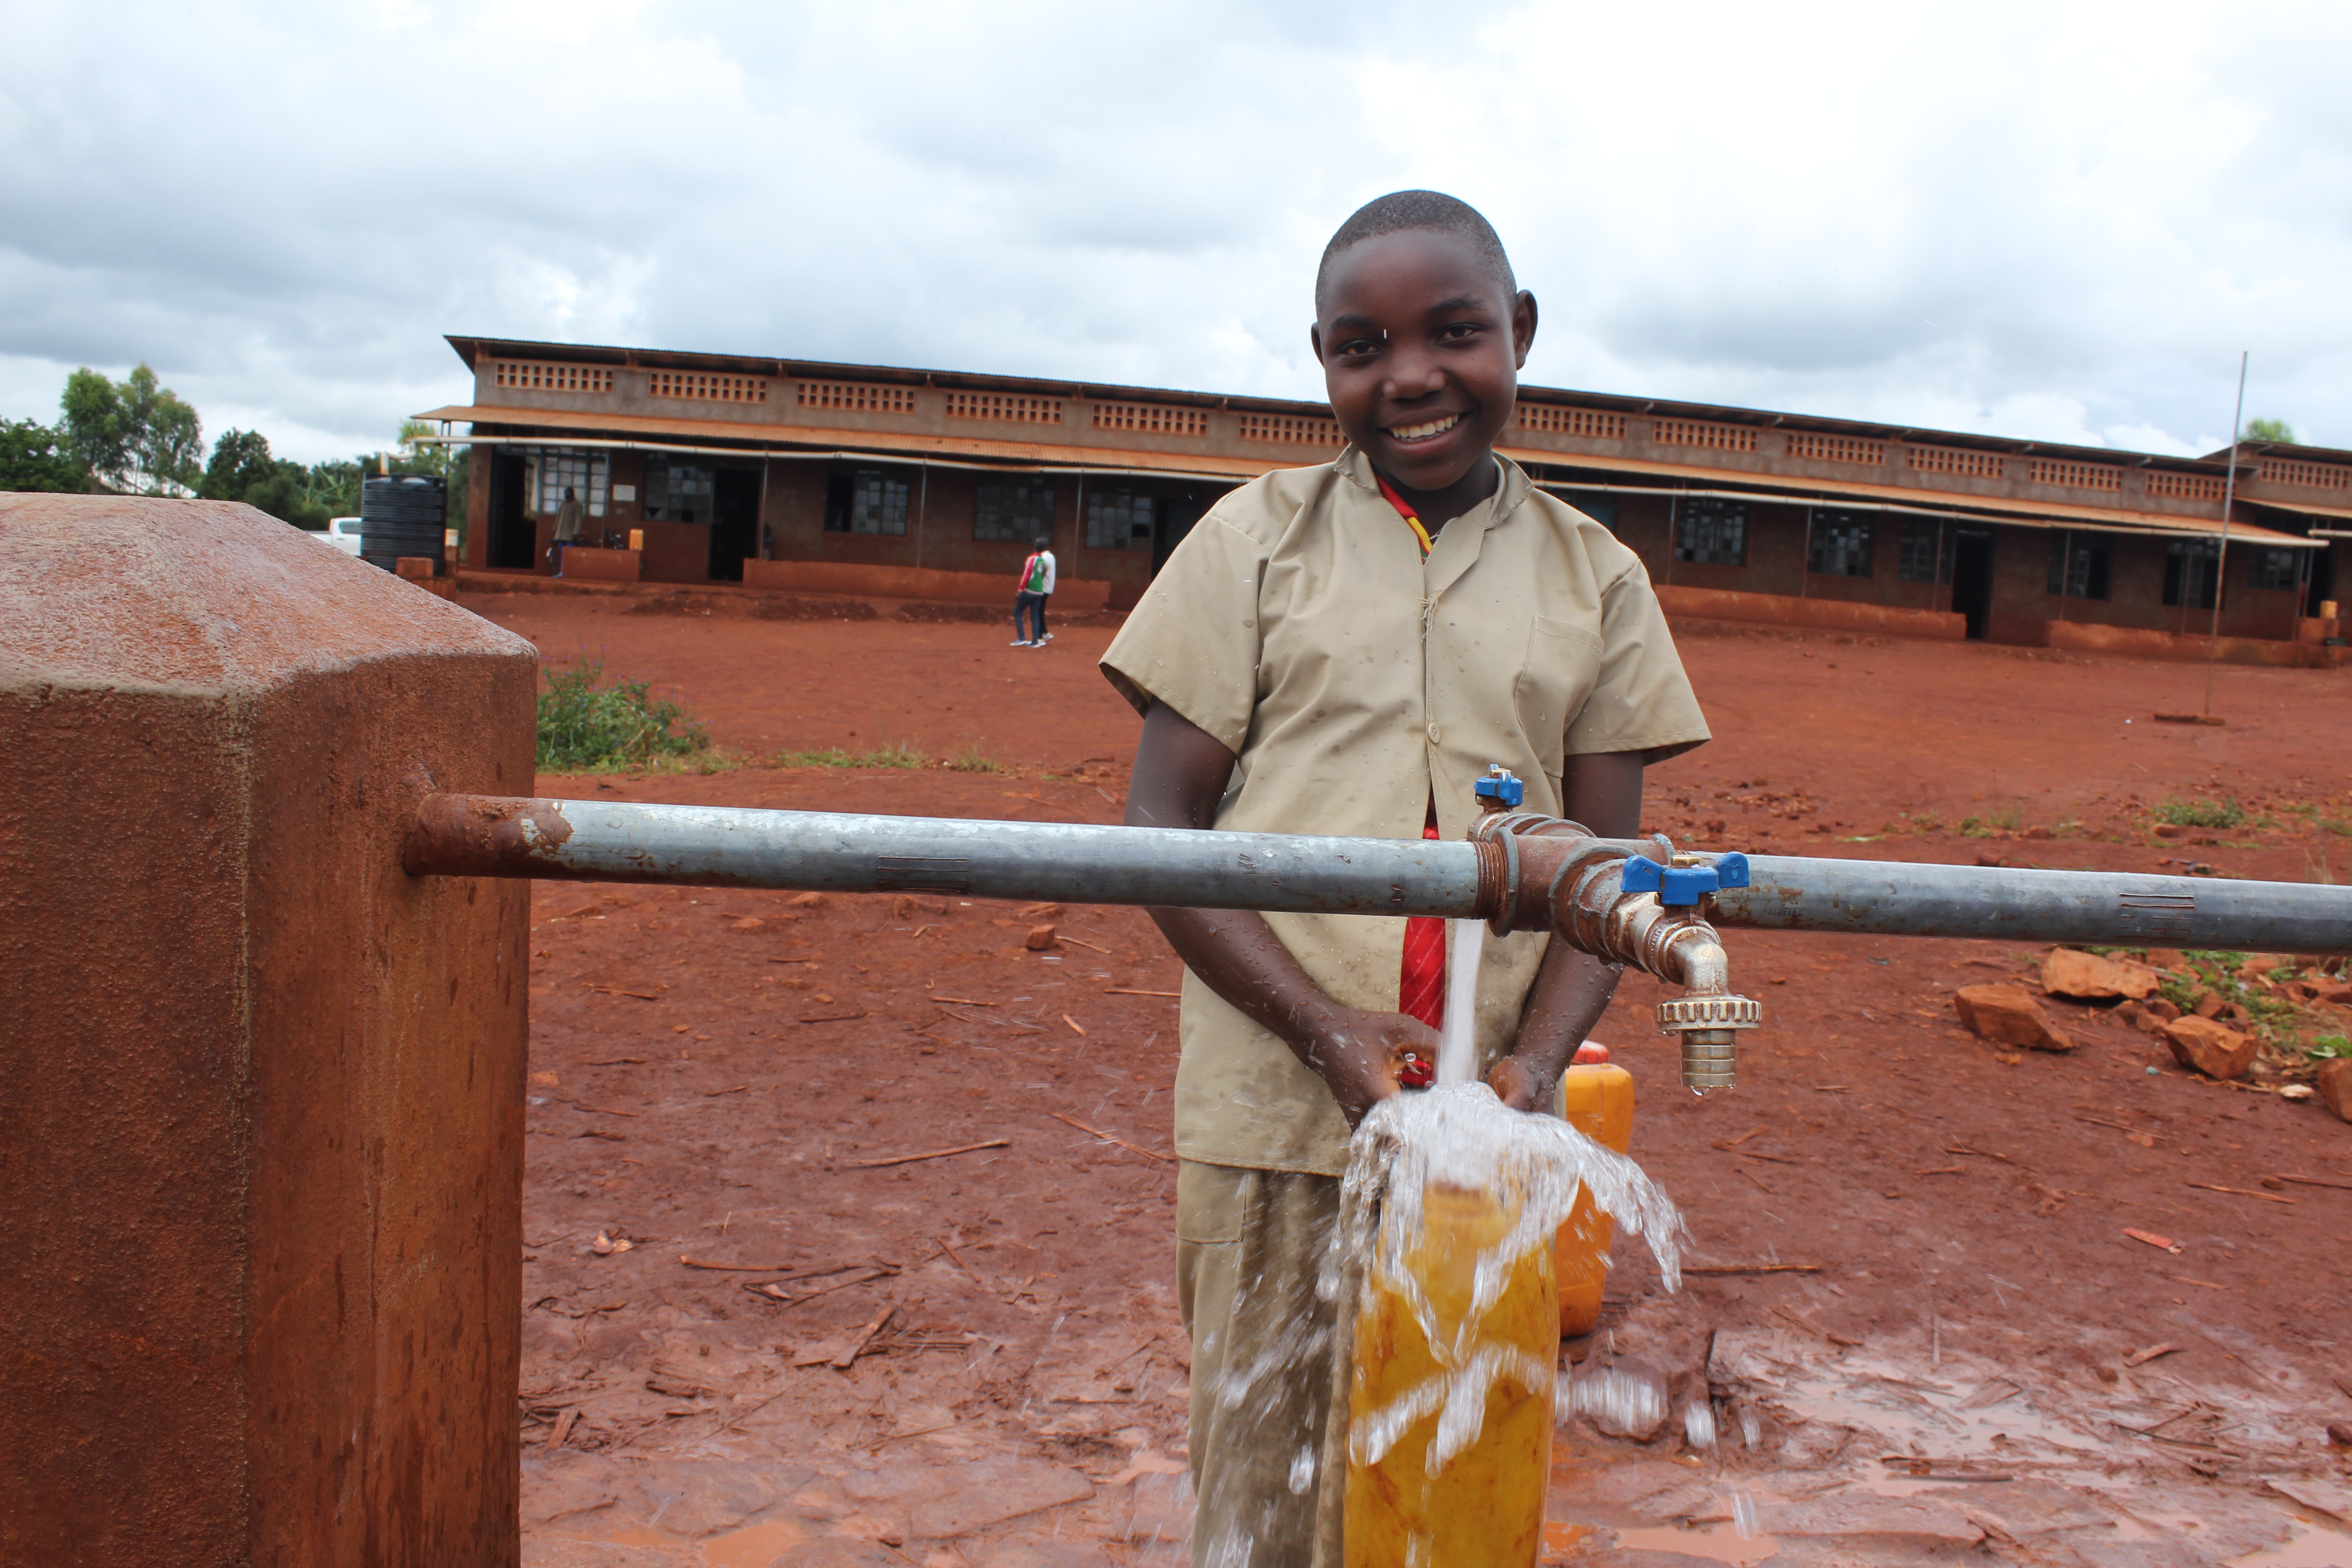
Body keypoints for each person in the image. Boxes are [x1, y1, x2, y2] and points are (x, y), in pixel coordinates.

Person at [1099, 190, 1710, 1567]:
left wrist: (1540, 1068)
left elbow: (1609, 878)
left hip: (1483, 1135)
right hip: (1272, 1105)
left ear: (1522, 335)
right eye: (1362, 346)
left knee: (1448, 1480)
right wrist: (1321, 1027)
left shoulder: (1595, 578)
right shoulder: (1252, 543)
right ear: (1323, 360)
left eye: (1454, 333)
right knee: (1260, 1471)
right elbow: (1158, 827)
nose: (1411, 377)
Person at [1013, 534, 1056, 647]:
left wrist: (1021, 590)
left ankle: (1028, 638)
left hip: (1037, 589)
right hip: (1042, 590)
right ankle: (1039, 637)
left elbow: (1029, 575)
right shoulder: (1048, 557)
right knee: (1037, 613)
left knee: (1020, 611)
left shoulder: (1036, 558)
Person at [550, 485, 586, 576]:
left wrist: (576, 532)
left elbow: (579, 519)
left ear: (573, 494)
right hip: (561, 533)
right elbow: (558, 518)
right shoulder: (563, 504)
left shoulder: (577, 505)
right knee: (562, 554)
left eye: (569, 493)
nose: (567, 495)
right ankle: (563, 572)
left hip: (571, 534)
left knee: (570, 554)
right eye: (566, 493)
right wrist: (554, 529)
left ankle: (571, 572)